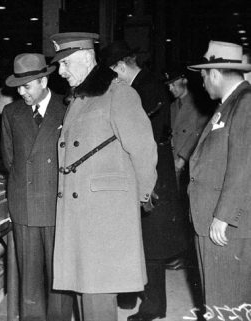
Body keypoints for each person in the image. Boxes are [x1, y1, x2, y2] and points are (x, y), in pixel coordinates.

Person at [50, 33, 158, 321]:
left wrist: (137, 199)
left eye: (66, 63)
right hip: (82, 212)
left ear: (87, 58)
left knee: (97, 295)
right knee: (87, 293)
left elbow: (144, 150)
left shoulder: (118, 93)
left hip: (104, 215)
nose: (60, 72)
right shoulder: (81, 96)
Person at [100, 40, 189, 321]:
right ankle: (131, 292)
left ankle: (153, 306)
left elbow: (140, 135)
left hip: (152, 171)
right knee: (134, 236)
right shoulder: (142, 86)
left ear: (121, 67)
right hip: (143, 168)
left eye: (112, 73)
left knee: (151, 241)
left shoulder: (146, 88)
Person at [1, 53, 72, 321]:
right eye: (18, 86)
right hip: (25, 204)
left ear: (43, 81)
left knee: (59, 277)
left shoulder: (68, 108)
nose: (21, 92)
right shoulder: (11, 113)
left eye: (26, 86)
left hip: (58, 204)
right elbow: (9, 160)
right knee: (28, 278)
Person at [187, 40, 251, 310]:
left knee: (227, 304)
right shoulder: (230, 103)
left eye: (203, 76)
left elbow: (244, 164)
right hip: (210, 217)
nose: (202, 84)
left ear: (215, 73)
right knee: (218, 301)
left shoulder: (245, 102)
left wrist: (223, 216)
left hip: (226, 226)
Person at [166, 70, 209, 189]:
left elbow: (199, 133)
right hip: (173, 162)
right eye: (168, 85)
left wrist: (182, 158)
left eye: (173, 84)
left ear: (184, 80)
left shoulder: (199, 104)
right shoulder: (172, 106)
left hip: (189, 163)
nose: (170, 88)